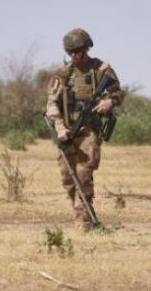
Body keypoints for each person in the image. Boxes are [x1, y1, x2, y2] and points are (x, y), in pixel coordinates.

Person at [45, 28, 124, 230]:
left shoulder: (100, 69)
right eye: (70, 51)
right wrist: (60, 128)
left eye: (78, 50)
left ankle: (83, 223)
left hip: (89, 130)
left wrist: (109, 102)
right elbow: (51, 104)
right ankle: (85, 212)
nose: (74, 55)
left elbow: (118, 92)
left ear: (86, 48)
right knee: (67, 177)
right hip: (67, 132)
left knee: (84, 174)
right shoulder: (62, 73)